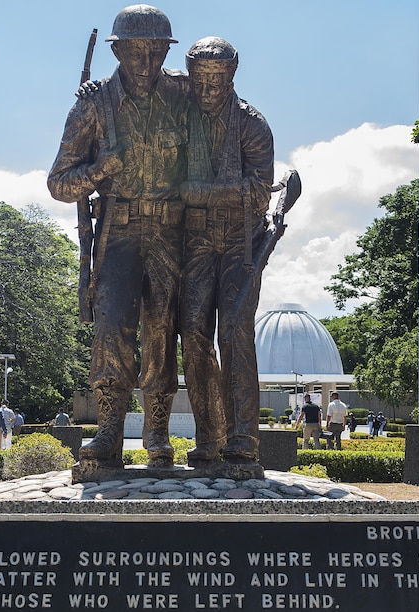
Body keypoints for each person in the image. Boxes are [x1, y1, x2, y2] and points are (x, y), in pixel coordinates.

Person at [48, 4, 189, 468]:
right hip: (118, 232)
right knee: (111, 332)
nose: (145, 64)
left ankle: (157, 432)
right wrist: (100, 169)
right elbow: (59, 183)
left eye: (153, 53)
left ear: (165, 52)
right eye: (134, 53)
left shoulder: (185, 100)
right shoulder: (93, 105)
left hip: (171, 232)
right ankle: (109, 430)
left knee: (162, 330)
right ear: (119, 51)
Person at [178, 37, 275, 466]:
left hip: (240, 242)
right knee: (193, 335)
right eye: (200, 80)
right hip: (195, 242)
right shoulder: (180, 119)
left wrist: (199, 193)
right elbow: (143, 80)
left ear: (232, 75)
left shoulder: (253, 125)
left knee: (234, 333)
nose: (209, 89)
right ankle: (208, 435)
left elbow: (258, 195)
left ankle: (243, 437)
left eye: (217, 80)